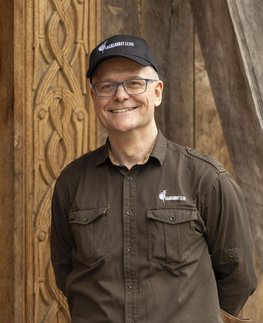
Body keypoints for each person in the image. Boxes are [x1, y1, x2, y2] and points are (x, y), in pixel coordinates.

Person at [51, 34, 257, 323]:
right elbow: (66, 272)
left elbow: (238, 276)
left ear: (157, 92)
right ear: (94, 96)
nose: (120, 95)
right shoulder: (71, 183)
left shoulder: (205, 179)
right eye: (106, 85)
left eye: (135, 83)